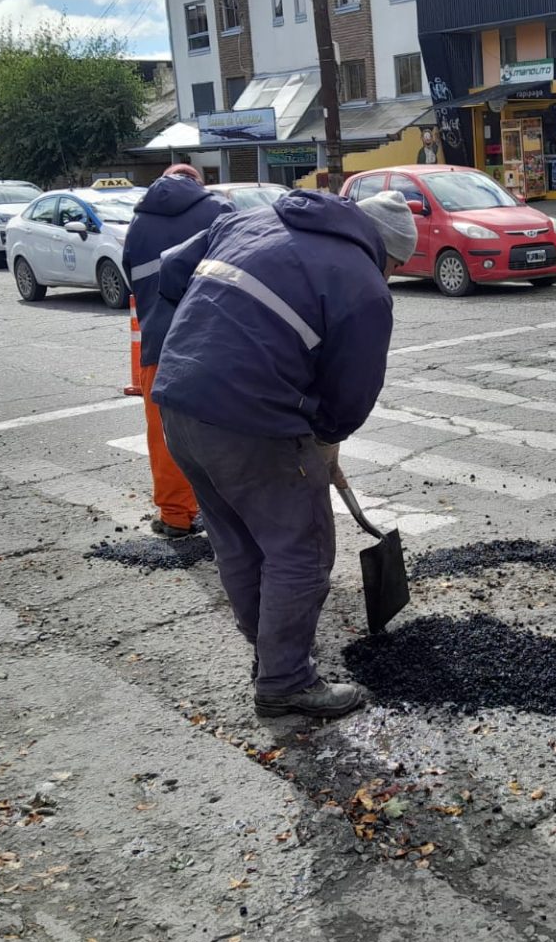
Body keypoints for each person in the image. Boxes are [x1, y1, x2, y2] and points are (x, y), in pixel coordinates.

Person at [152, 190, 418, 719]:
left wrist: (214, 337)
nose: (390, 276)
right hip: (253, 422)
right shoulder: (363, 286)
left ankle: (272, 654)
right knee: (302, 549)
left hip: (178, 402)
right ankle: (285, 680)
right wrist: (325, 438)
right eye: (395, 267)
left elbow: (171, 270)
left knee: (239, 542)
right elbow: (351, 393)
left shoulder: (253, 221)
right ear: (384, 253)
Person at [120, 163, 231, 539]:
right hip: (213, 340)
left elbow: (131, 280)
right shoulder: (218, 209)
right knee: (226, 428)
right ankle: (233, 513)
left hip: (159, 342)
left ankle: (176, 516)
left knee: (166, 434)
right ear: (197, 183)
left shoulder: (138, 223)